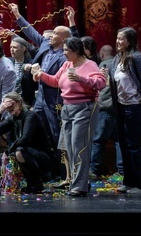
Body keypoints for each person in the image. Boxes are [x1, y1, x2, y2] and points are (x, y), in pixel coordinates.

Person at [8, 3, 77, 180]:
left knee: (57, 136)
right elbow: (31, 32)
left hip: (55, 99)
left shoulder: (66, 55)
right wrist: (17, 15)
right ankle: (44, 170)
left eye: (55, 34)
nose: (51, 36)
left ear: (63, 38)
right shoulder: (46, 45)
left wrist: (40, 73)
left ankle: (63, 173)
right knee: (37, 133)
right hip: (40, 99)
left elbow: (60, 79)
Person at [33, 37, 106, 196]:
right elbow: (56, 81)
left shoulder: (89, 65)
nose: (64, 53)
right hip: (67, 108)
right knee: (70, 148)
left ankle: (79, 186)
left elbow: (101, 83)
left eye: (66, 50)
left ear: (76, 50)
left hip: (84, 108)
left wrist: (81, 78)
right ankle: (78, 182)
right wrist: (41, 75)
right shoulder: (67, 64)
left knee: (79, 147)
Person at [106, 27, 141, 194]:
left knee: (133, 146)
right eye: (117, 38)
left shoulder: (136, 58)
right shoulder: (117, 59)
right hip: (121, 107)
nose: (118, 41)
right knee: (124, 145)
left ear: (130, 41)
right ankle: (129, 182)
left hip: (134, 107)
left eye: (121, 39)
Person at [0, 92, 54, 194]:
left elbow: (25, 138)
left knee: (19, 152)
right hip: (27, 153)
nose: (9, 108)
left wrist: (8, 151)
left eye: (11, 104)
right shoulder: (12, 119)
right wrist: (0, 112)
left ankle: (37, 183)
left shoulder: (30, 116)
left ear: (19, 102)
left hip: (43, 157)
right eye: (6, 106)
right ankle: (7, 184)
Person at [9, 35, 38, 107]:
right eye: (10, 47)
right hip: (10, 100)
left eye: (14, 47)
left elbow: (36, 87)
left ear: (23, 49)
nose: (11, 50)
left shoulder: (32, 64)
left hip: (25, 102)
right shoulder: (8, 62)